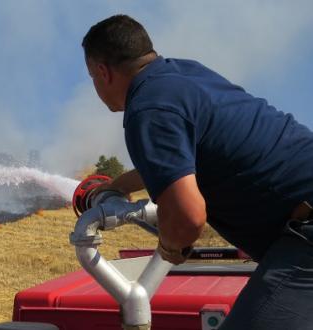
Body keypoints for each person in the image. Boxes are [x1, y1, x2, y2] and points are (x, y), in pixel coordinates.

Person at [81, 14, 313, 329]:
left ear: (102, 72)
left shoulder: (147, 109)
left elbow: (188, 217)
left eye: (91, 77)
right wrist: (118, 185)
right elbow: (187, 155)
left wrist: (171, 248)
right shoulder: (185, 75)